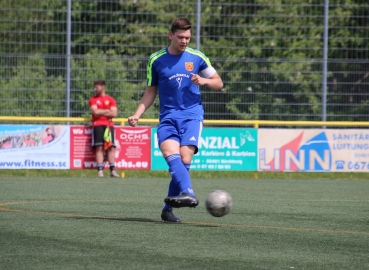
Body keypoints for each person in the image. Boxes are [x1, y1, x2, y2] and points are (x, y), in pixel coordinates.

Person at [128, 18, 223, 222]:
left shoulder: (197, 57)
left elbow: (218, 82)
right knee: (171, 154)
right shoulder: (156, 59)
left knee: (185, 159)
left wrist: (204, 80)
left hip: (191, 116)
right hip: (168, 117)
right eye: (180, 37)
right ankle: (187, 193)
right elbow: (151, 91)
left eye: (187, 37)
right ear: (170, 35)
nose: (184, 41)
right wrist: (137, 114)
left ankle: (167, 209)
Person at [89, 80, 120, 178]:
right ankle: (100, 171)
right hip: (97, 125)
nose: (95, 89)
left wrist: (100, 111)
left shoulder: (110, 99)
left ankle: (112, 170)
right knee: (99, 147)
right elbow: (95, 112)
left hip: (109, 126)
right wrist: (107, 110)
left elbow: (114, 113)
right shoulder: (93, 99)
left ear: (103, 87)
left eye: (97, 87)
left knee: (110, 147)